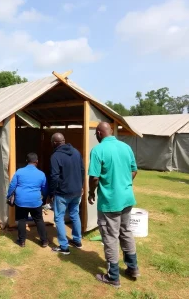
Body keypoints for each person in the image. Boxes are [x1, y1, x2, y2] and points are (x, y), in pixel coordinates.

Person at [88, 122, 140, 288]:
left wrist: (90, 193)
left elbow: (94, 177)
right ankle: (133, 269)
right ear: (111, 131)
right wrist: (124, 184)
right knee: (126, 231)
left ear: (98, 133)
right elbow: (134, 170)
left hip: (110, 202)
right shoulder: (126, 147)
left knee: (110, 237)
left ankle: (113, 277)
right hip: (126, 199)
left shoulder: (98, 150)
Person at [49, 133, 85, 255]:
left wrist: (52, 192)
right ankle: (77, 241)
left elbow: (54, 177)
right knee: (75, 214)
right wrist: (81, 186)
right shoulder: (76, 152)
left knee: (59, 217)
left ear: (54, 143)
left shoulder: (55, 156)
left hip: (62, 193)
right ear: (64, 141)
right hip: (76, 191)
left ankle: (64, 247)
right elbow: (82, 170)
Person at [7, 153, 48, 248]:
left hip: (21, 201)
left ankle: (22, 242)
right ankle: (44, 241)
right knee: (39, 220)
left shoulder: (19, 171)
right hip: (35, 201)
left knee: (22, 220)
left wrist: (9, 196)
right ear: (37, 162)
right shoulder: (41, 174)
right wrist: (44, 198)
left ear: (26, 161)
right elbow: (45, 188)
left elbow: (12, 185)